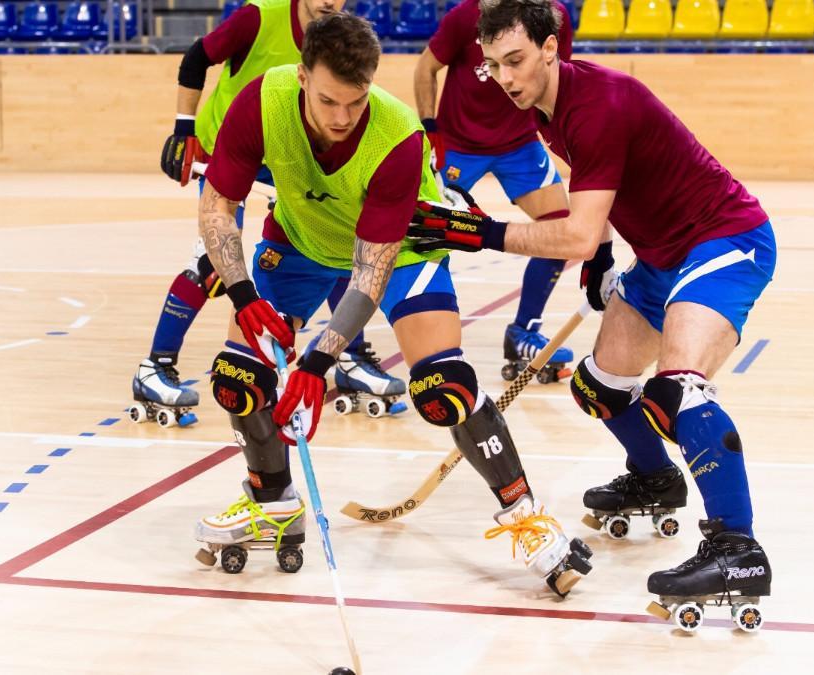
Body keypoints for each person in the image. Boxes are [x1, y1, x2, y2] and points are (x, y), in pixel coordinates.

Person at [194, 13, 592, 597]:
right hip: (301, 238)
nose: (340, 118)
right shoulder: (261, 101)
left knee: (443, 387)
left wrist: (315, 365)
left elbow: (369, 272)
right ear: (302, 76)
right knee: (238, 377)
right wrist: (244, 294)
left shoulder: (398, 135)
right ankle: (272, 500)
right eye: (328, 100)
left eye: (354, 103)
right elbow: (216, 208)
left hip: (404, 247)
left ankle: (525, 514)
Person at [410, 0, 775, 617]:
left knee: (678, 390)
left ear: (551, 49)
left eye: (518, 61)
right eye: (495, 65)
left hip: (723, 239)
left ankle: (738, 548)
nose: (506, 78)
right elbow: (589, 208)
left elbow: (573, 232)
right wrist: (604, 255)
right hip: (661, 256)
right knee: (600, 385)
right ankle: (656, 479)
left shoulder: (597, 104)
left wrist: (477, 232)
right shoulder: (549, 110)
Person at [132, 0, 403, 426]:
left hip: (287, 156)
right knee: (213, 262)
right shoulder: (259, 16)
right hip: (233, 147)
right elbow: (196, 57)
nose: (330, 2)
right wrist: (183, 129)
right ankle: (155, 367)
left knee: (331, 243)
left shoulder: (341, 41)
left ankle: (351, 358)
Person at [413, 0, 579, 383]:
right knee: (425, 233)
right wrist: (430, 131)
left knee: (562, 233)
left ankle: (524, 331)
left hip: (519, 144)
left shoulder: (552, 16)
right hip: (458, 144)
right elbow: (426, 68)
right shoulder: (463, 16)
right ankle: (419, 337)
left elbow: (558, 79)